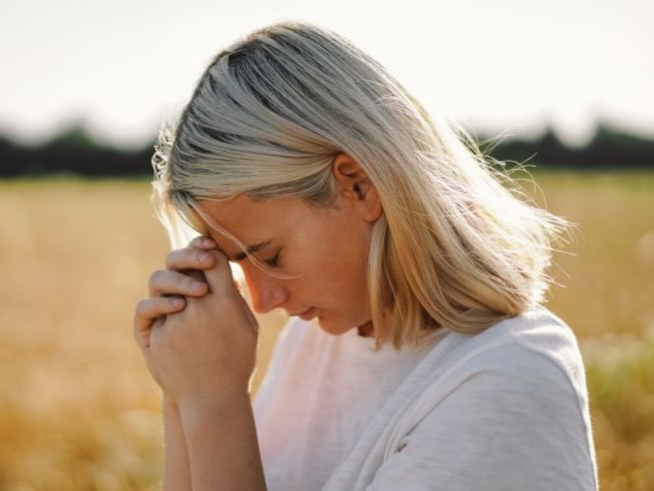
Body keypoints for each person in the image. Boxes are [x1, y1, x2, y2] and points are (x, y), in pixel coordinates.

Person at [132, 21, 598, 491]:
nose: (261, 300)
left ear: (357, 185)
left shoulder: (507, 381)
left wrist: (215, 406)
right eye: (237, 264)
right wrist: (183, 395)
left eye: (270, 256)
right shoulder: (315, 344)